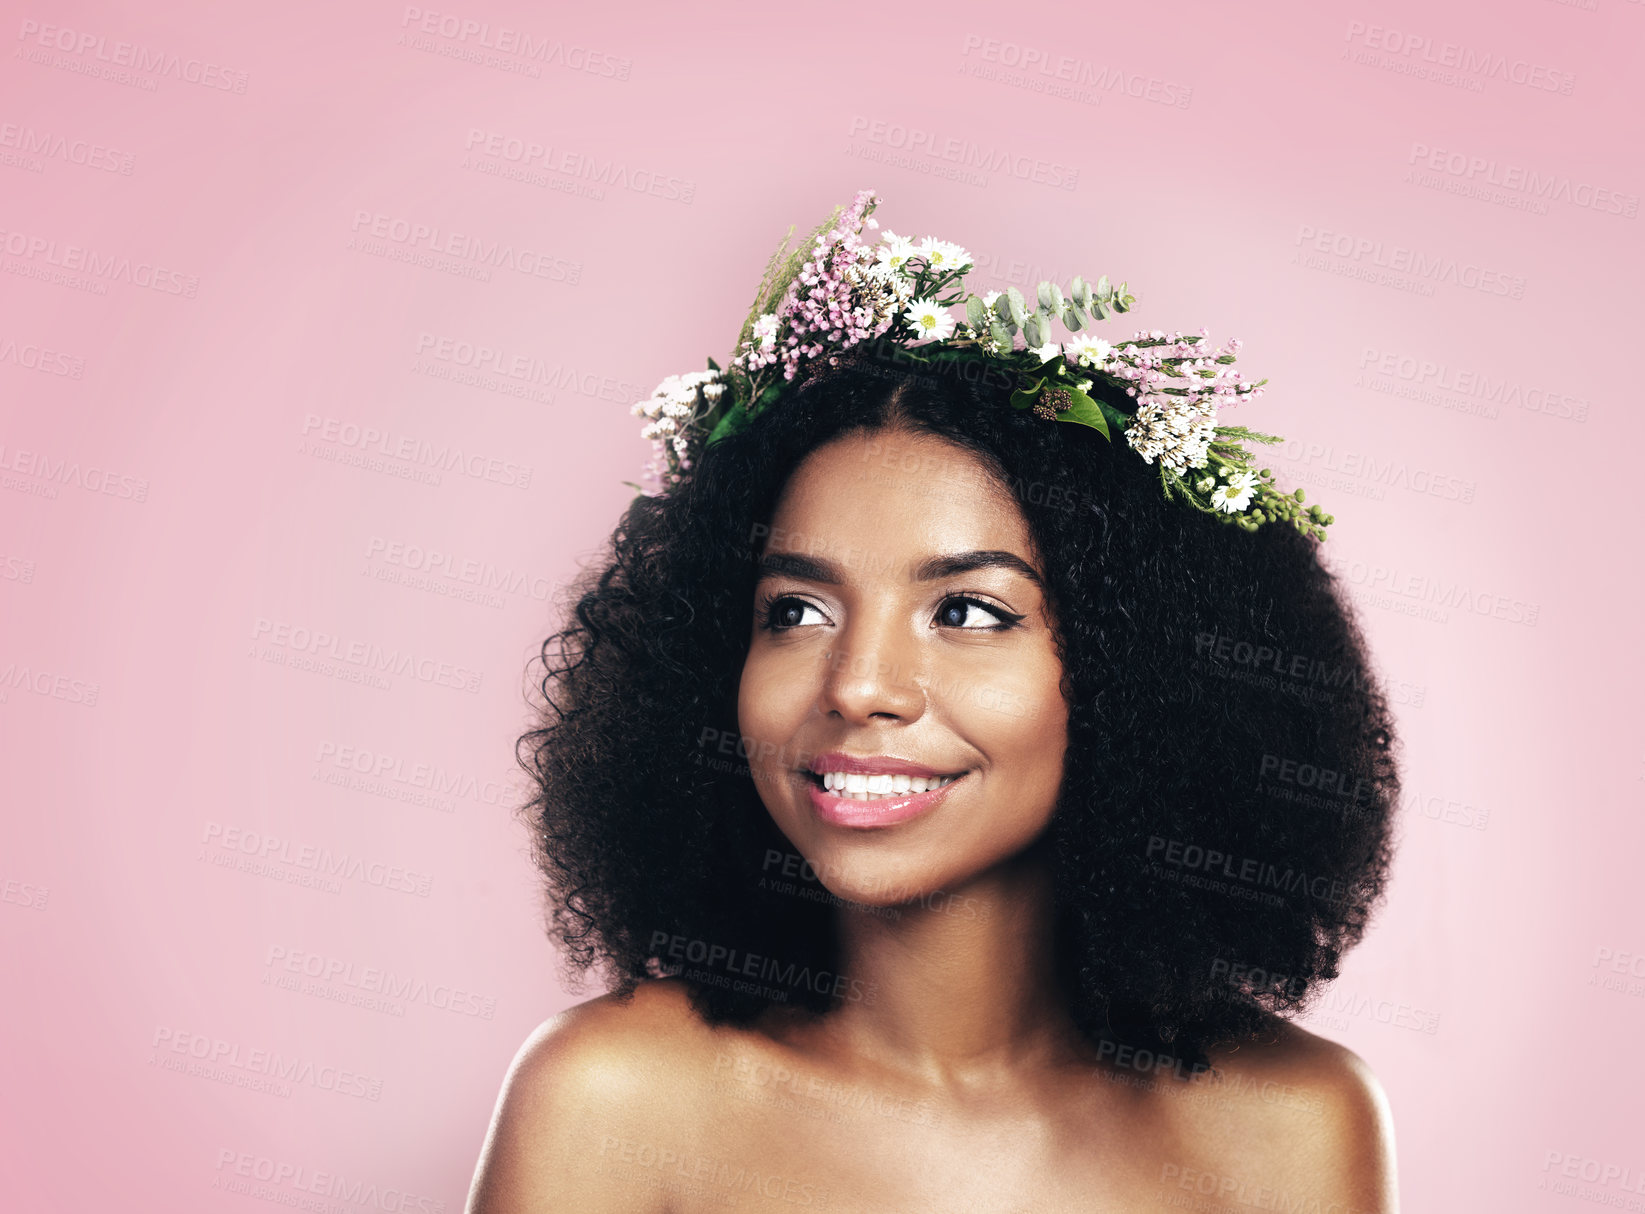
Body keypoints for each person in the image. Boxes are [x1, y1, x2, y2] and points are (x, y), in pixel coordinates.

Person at [466, 191, 1401, 1212]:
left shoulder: (1288, 1123)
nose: (859, 684)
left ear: (1150, 672)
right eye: (796, 609)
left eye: (965, 608)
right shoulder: (616, 1102)